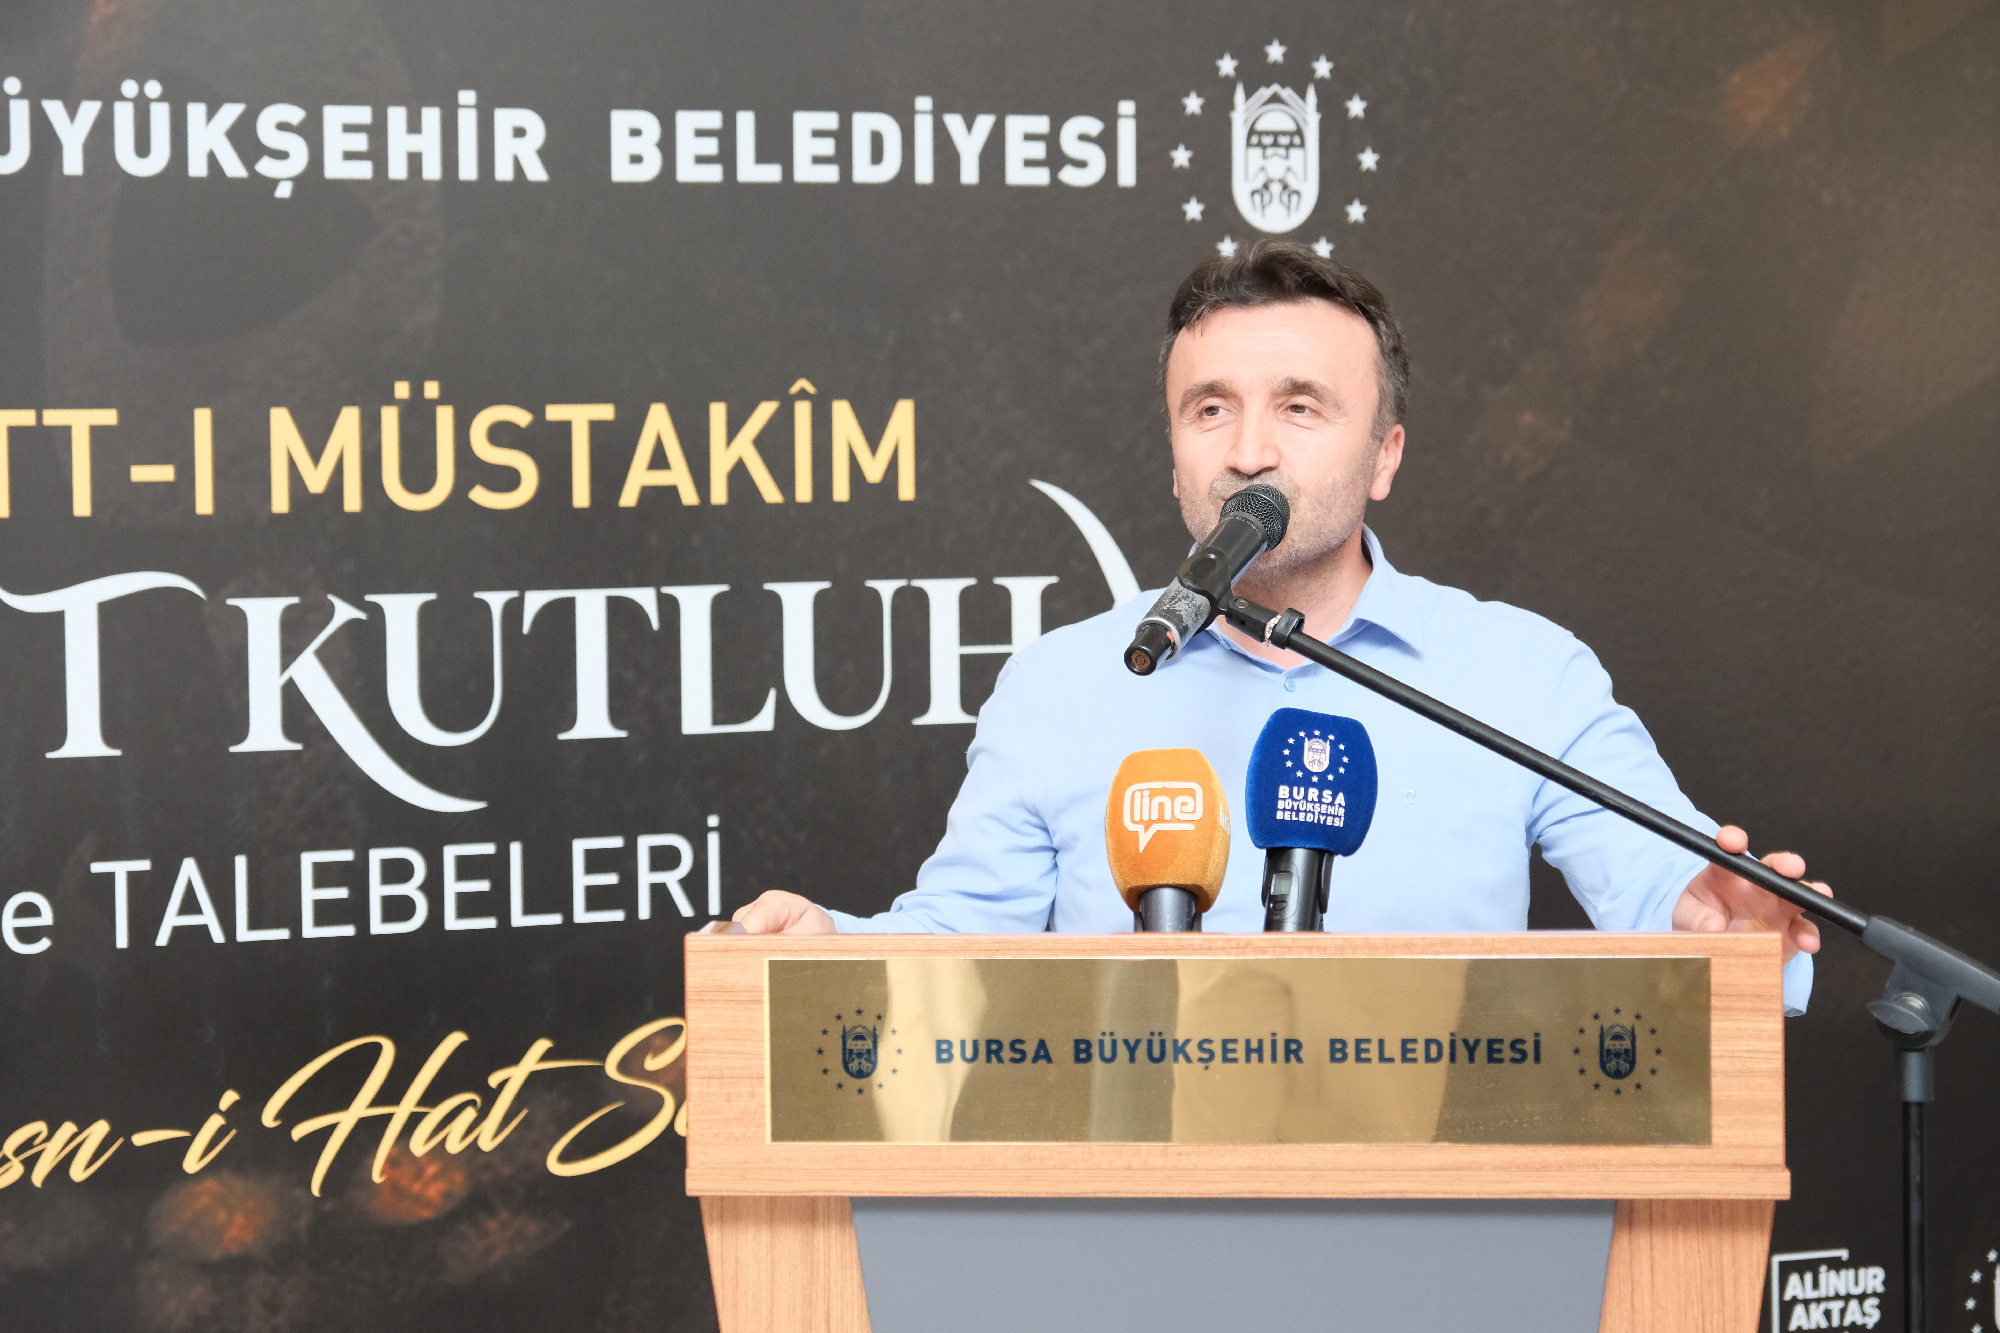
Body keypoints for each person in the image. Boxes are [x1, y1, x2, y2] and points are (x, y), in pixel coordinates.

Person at [734, 240, 1830, 1013]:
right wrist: (834, 949)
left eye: (1300, 407)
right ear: (1175, 456)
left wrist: (1721, 928)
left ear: (1385, 455)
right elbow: (960, 938)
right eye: (1209, 409)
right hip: (1135, 1218)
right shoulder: (1062, 685)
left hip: (1438, 1220)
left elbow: (1666, 891)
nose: (1248, 451)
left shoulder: (1520, 673)